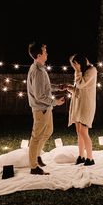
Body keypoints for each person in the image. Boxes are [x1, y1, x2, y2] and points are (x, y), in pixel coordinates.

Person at [27, 41, 65, 175]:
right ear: (38, 55)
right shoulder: (37, 71)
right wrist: (55, 102)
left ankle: (37, 154)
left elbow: (46, 87)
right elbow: (39, 95)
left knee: (48, 131)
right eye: (44, 51)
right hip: (41, 109)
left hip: (46, 108)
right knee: (36, 137)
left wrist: (58, 87)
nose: (47, 53)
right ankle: (33, 167)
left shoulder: (41, 68)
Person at [65, 53, 97, 166]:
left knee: (84, 132)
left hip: (86, 106)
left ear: (79, 63)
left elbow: (80, 84)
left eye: (74, 64)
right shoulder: (82, 71)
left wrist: (77, 71)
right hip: (78, 104)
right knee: (79, 132)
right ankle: (81, 156)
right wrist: (69, 88)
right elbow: (78, 90)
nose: (74, 67)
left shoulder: (92, 70)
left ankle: (90, 158)